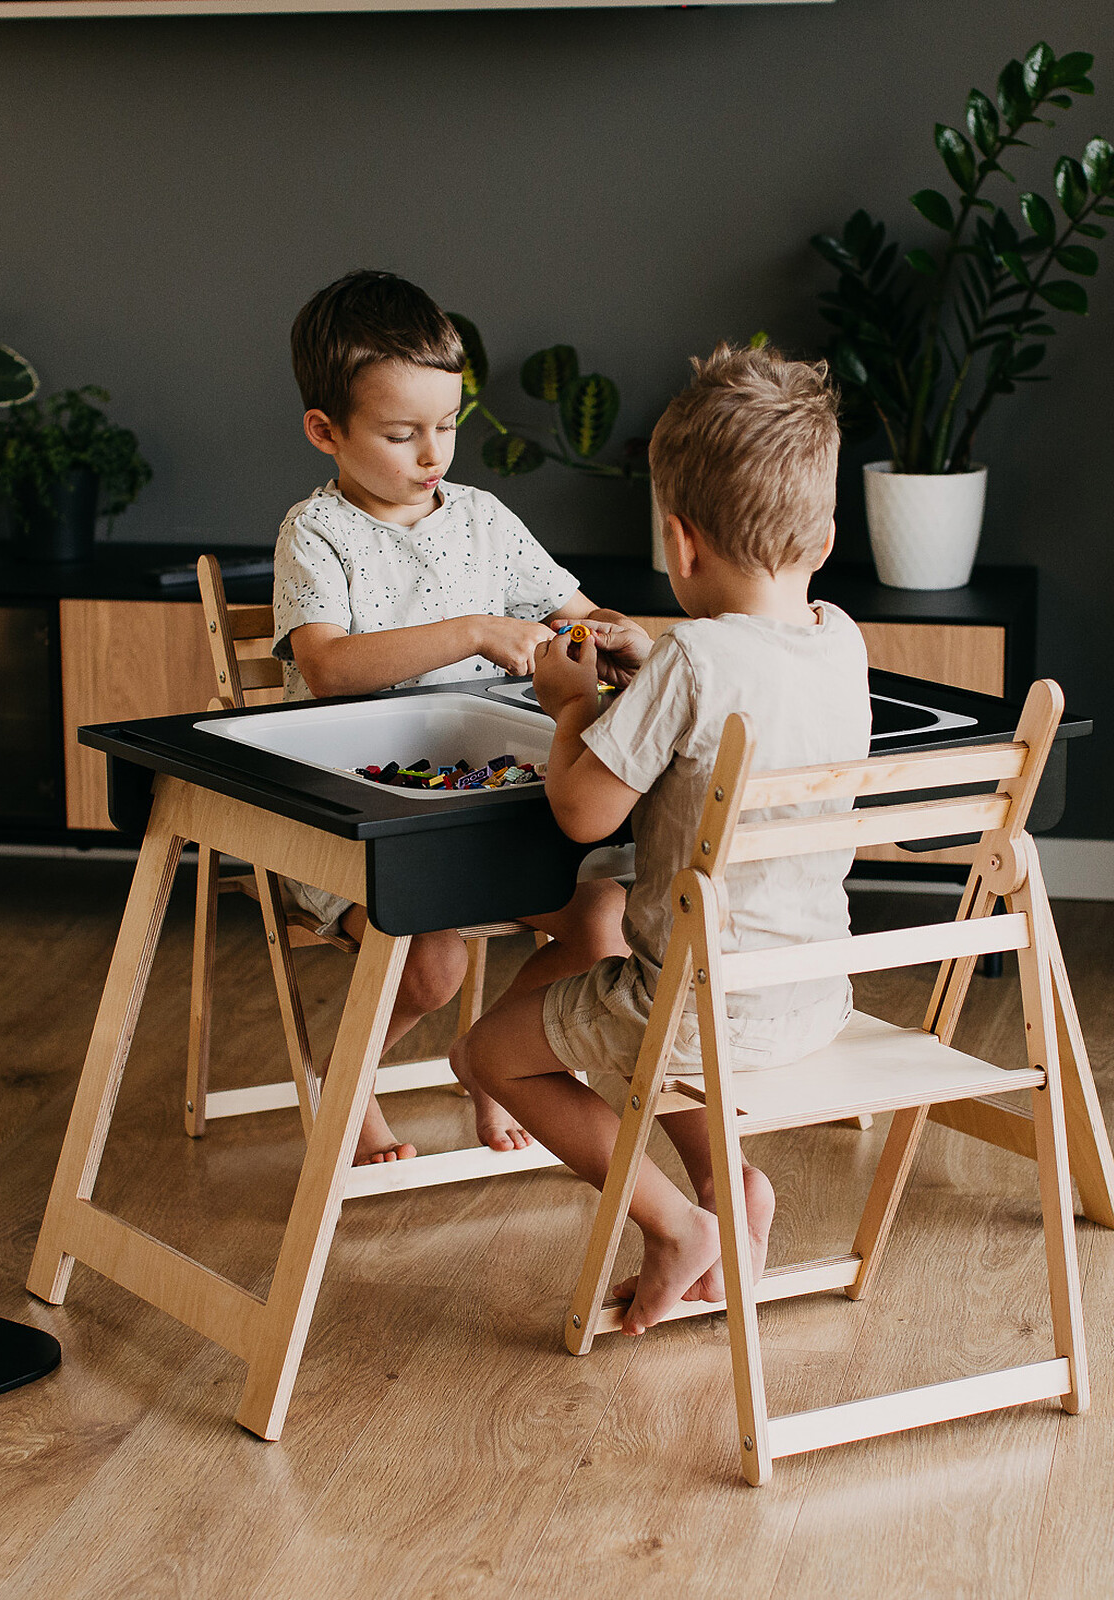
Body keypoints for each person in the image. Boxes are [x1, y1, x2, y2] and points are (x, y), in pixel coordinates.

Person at [453, 340, 871, 1331]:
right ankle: (736, 1189)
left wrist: (568, 704)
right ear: (821, 538)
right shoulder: (840, 639)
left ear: (678, 544)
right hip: (808, 994)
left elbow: (583, 811)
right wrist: (654, 669)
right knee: (665, 1027)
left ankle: (677, 1222)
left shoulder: (691, 663)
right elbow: (736, 692)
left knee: (489, 1055)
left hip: (698, 1008)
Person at [273, 268, 632, 1166]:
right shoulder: (316, 532)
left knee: (602, 926)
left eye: (447, 426)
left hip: (488, 802)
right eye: (402, 434)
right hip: (363, 814)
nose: (433, 453)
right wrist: (471, 629)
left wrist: (619, 636)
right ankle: (346, 1080)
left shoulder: (483, 519)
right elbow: (325, 668)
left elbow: (575, 613)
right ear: (327, 432)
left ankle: (497, 1061)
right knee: (431, 963)